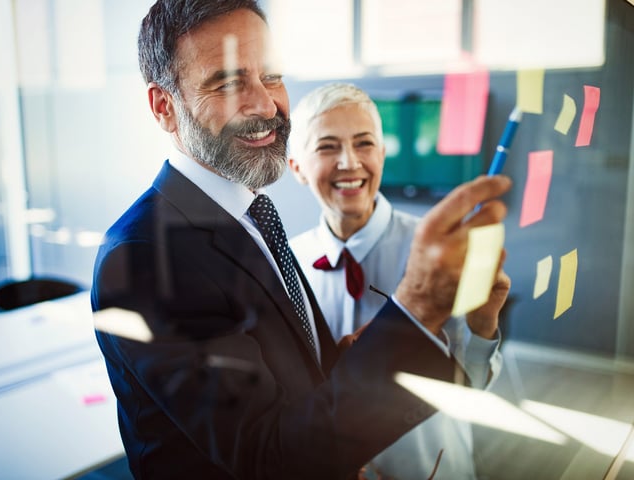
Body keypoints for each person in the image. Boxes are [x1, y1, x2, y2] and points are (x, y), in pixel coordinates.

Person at [90, 1, 512, 479]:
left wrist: (343, 367)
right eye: (227, 83)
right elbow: (269, 459)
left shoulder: (253, 216)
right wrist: (416, 304)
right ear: (165, 108)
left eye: (271, 76)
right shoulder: (143, 257)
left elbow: (288, 383)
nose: (267, 106)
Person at [288, 83, 509, 479]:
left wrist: (482, 325)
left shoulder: (439, 250)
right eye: (326, 147)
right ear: (297, 168)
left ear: (383, 154)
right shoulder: (284, 263)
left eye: (364, 143)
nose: (349, 162)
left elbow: (471, 386)